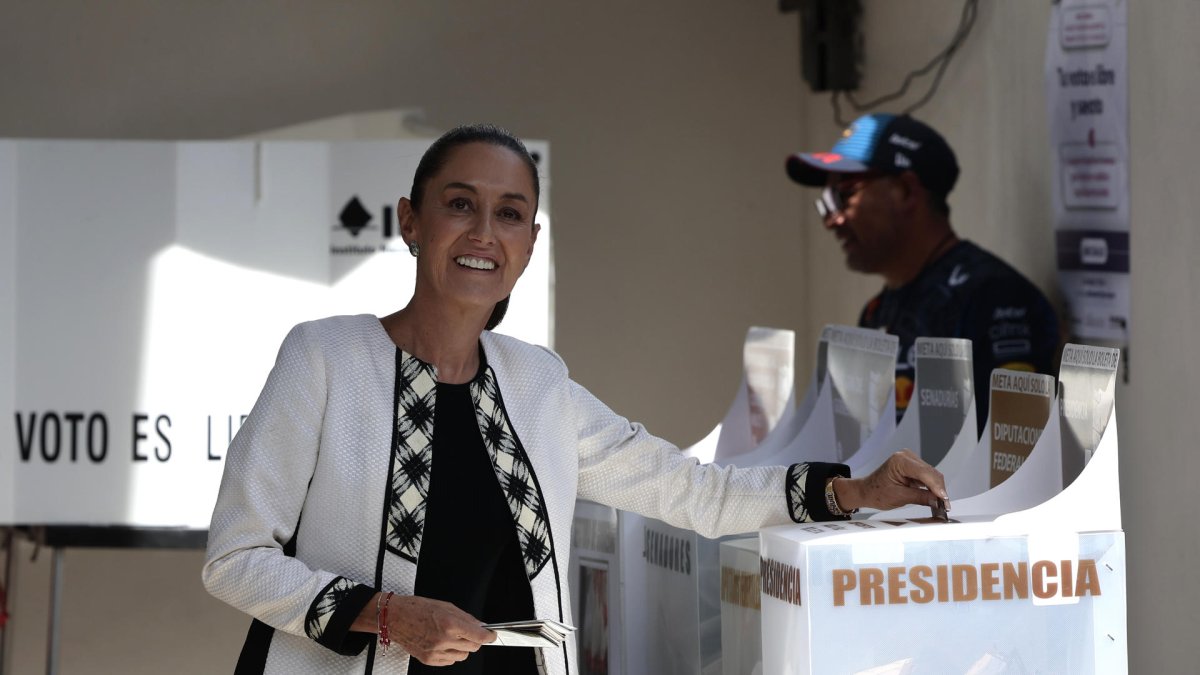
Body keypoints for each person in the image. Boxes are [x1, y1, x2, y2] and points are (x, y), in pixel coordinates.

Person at [203, 123, 950, 675]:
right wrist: (391, 615)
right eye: (459, 204)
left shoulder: (538, 384)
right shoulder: (325, 358)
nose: (483, 233)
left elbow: (694, 491)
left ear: (530, 240)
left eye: (509, 213)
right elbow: (235, 557)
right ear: (410, 221)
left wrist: (851, 491)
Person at [786, 113, 1061, 432]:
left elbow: (1009, 457)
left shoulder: (993, 297)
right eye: (825, 203)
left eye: (844, 196)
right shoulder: (877, 312)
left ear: (905, 191)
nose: (832, 220)